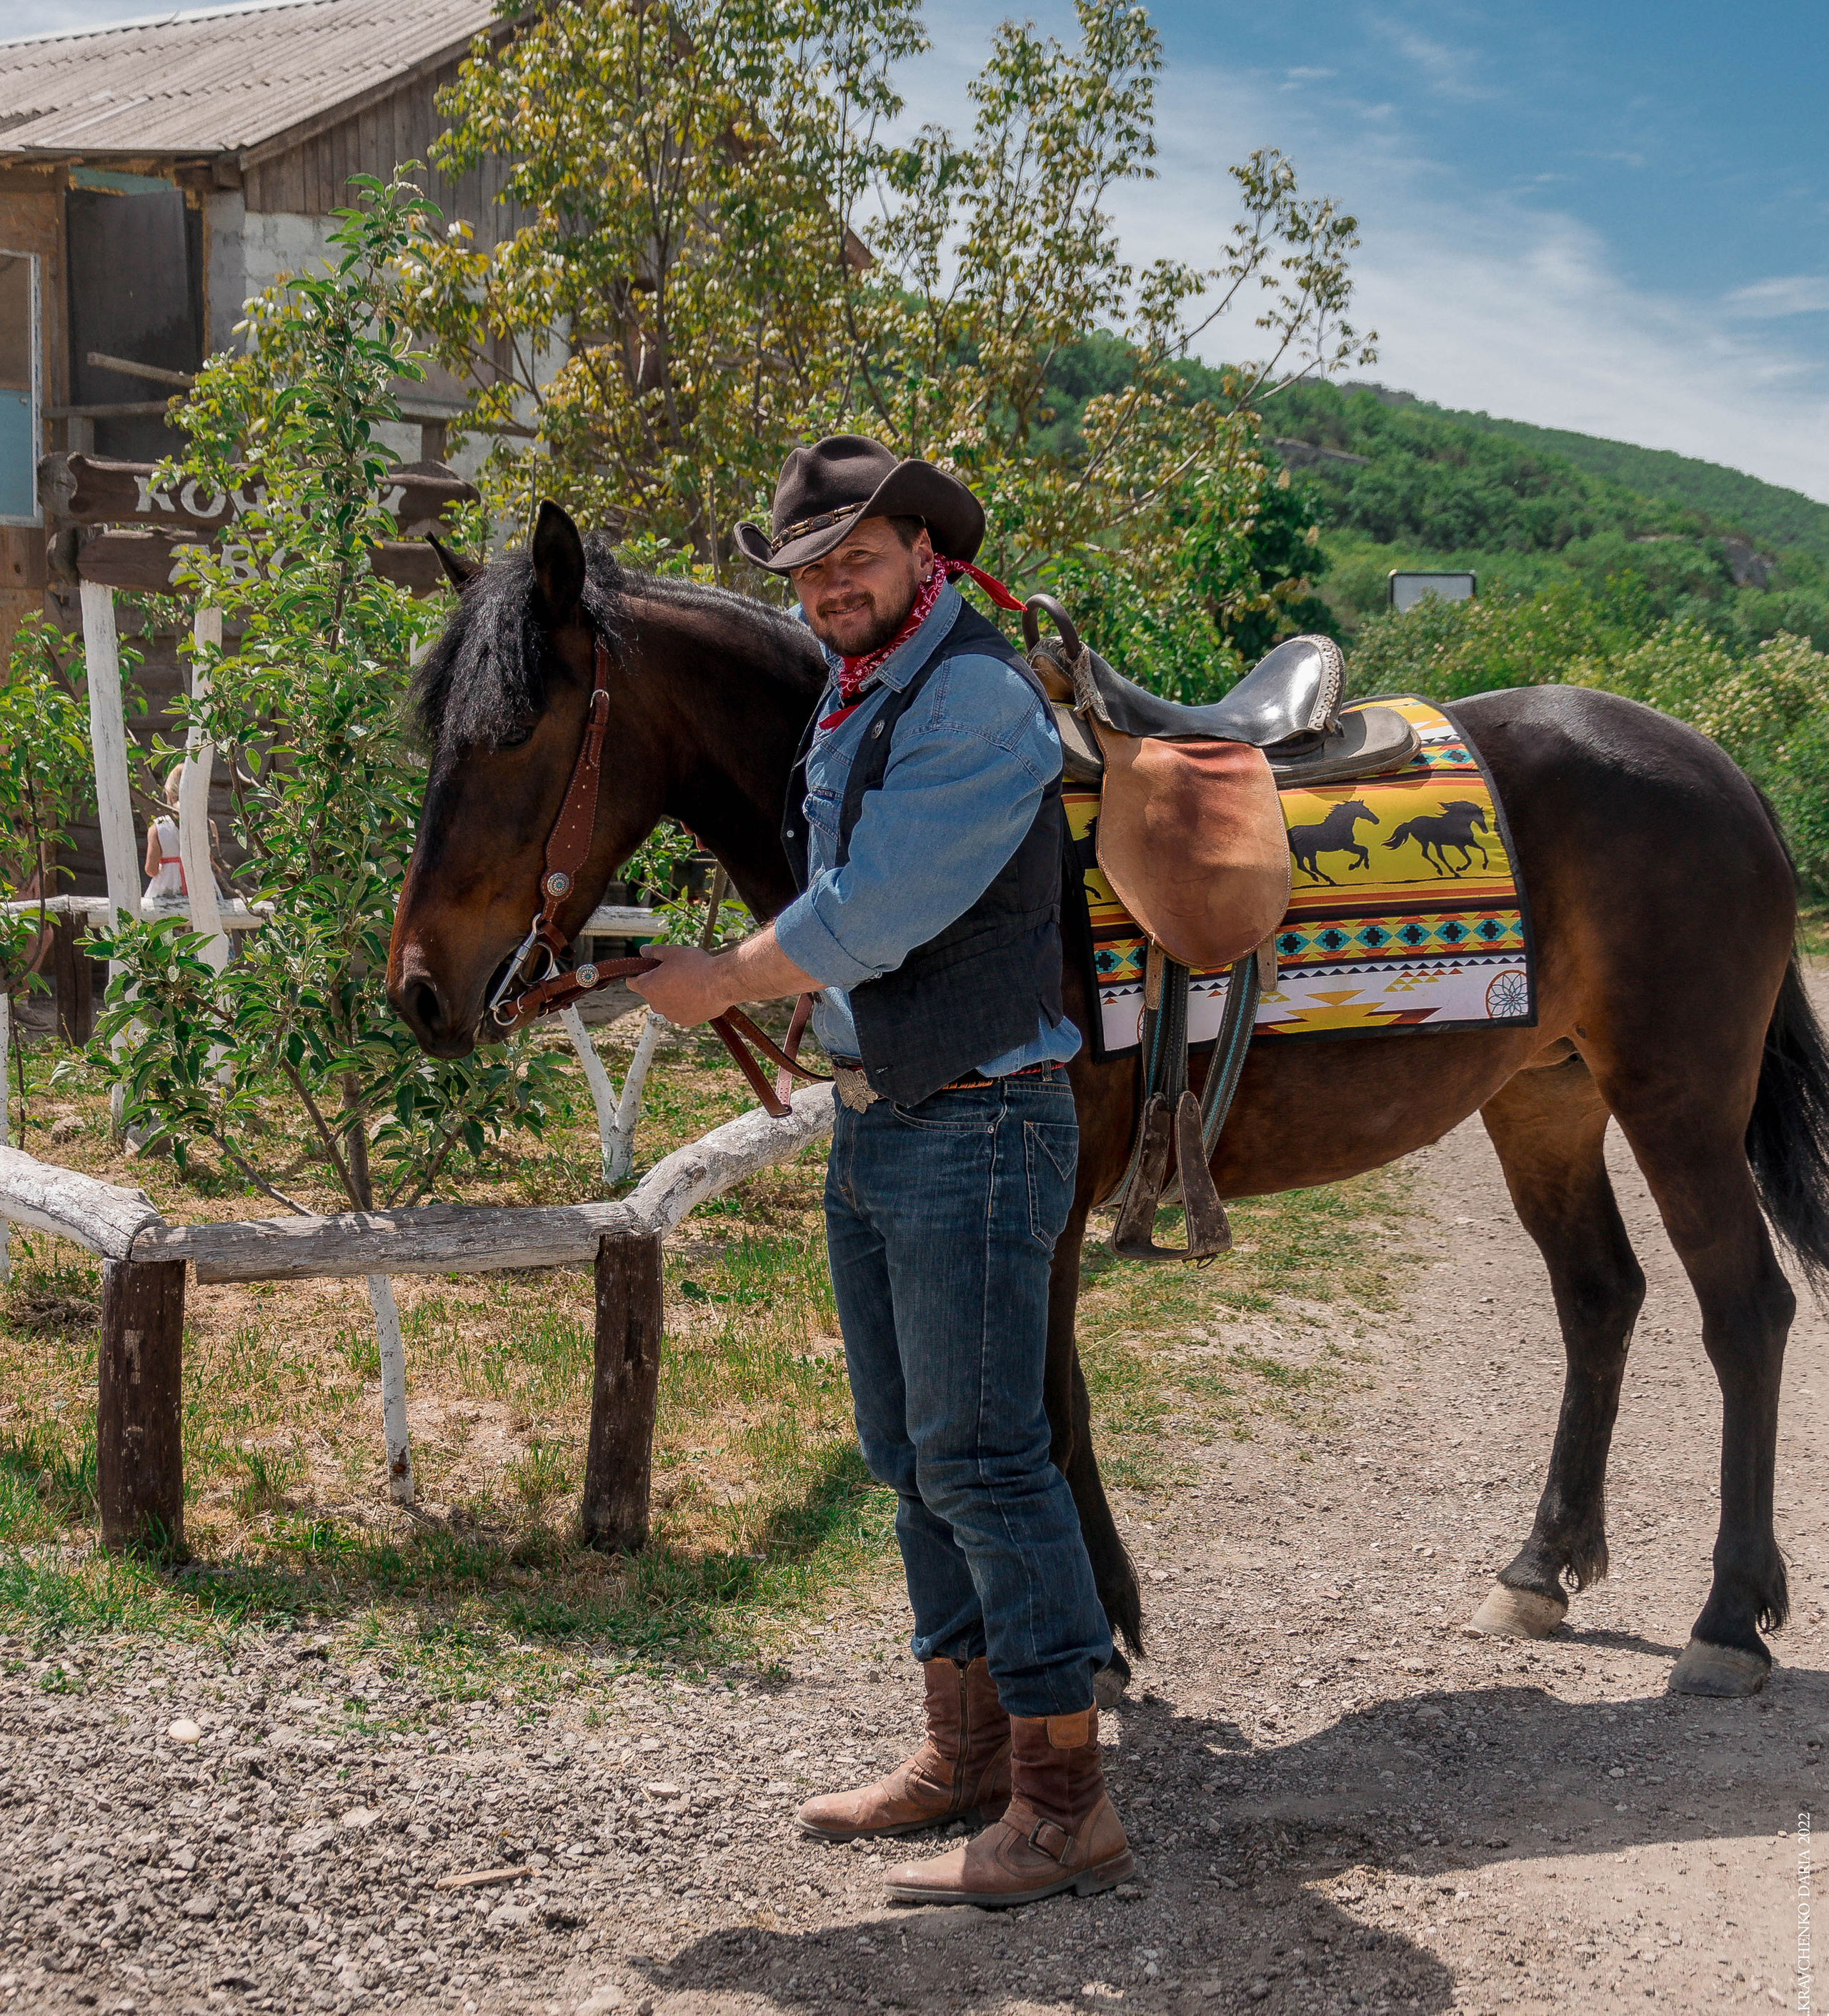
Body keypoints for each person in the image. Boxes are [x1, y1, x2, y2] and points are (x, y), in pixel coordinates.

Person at [632, 435, 1132, 1908]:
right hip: (892, 1116)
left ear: (922, 550)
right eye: (803, 570)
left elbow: (878, 906)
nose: (828, 586)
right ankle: (963, 1747)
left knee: (982, 1456)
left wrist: (725, 976)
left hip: (976, 1121)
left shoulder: (974, 693)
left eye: (853, 555)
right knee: (911, 1454)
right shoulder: (866, 691)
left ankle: (1063, 1800)